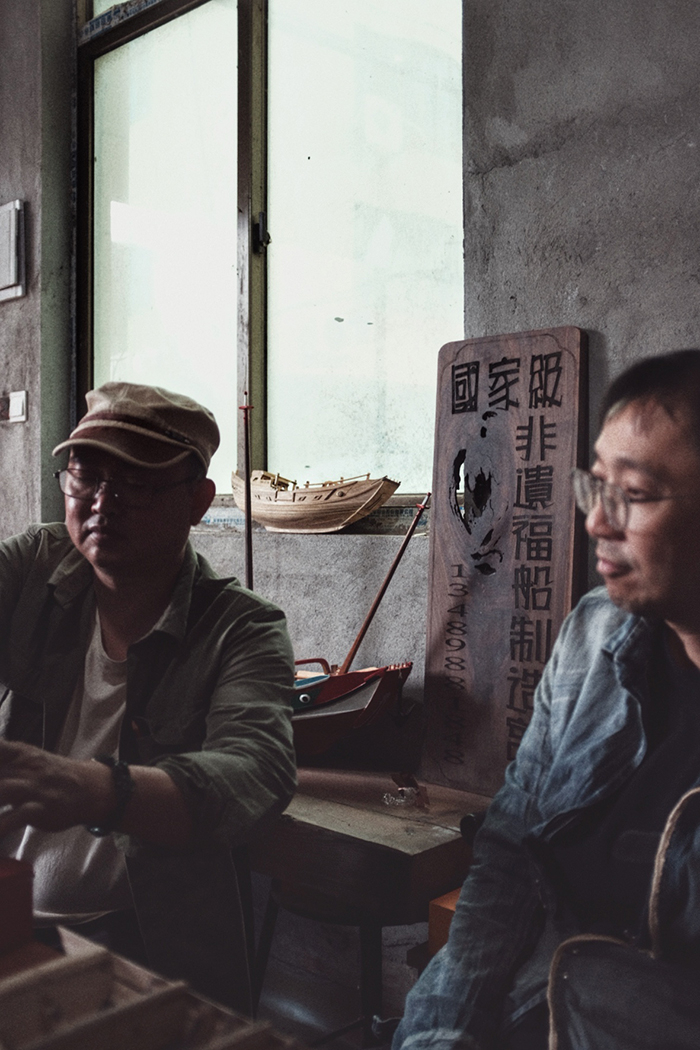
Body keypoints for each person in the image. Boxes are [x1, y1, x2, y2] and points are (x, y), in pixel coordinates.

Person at [393, 349, 700, 1050]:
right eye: (597, 486)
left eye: (636, 494)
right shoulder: (597, 635)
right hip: (537, 1010)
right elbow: (511, 849)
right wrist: (441, 1033)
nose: (596, 523)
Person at [0, 382, 297, 1013]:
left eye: (136, 482)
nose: (102, 501)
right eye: (87, 474)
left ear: (197, 501)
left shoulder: (241, 628)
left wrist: (97, 789)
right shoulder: (33, 567)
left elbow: (256, 773)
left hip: (140, 943)